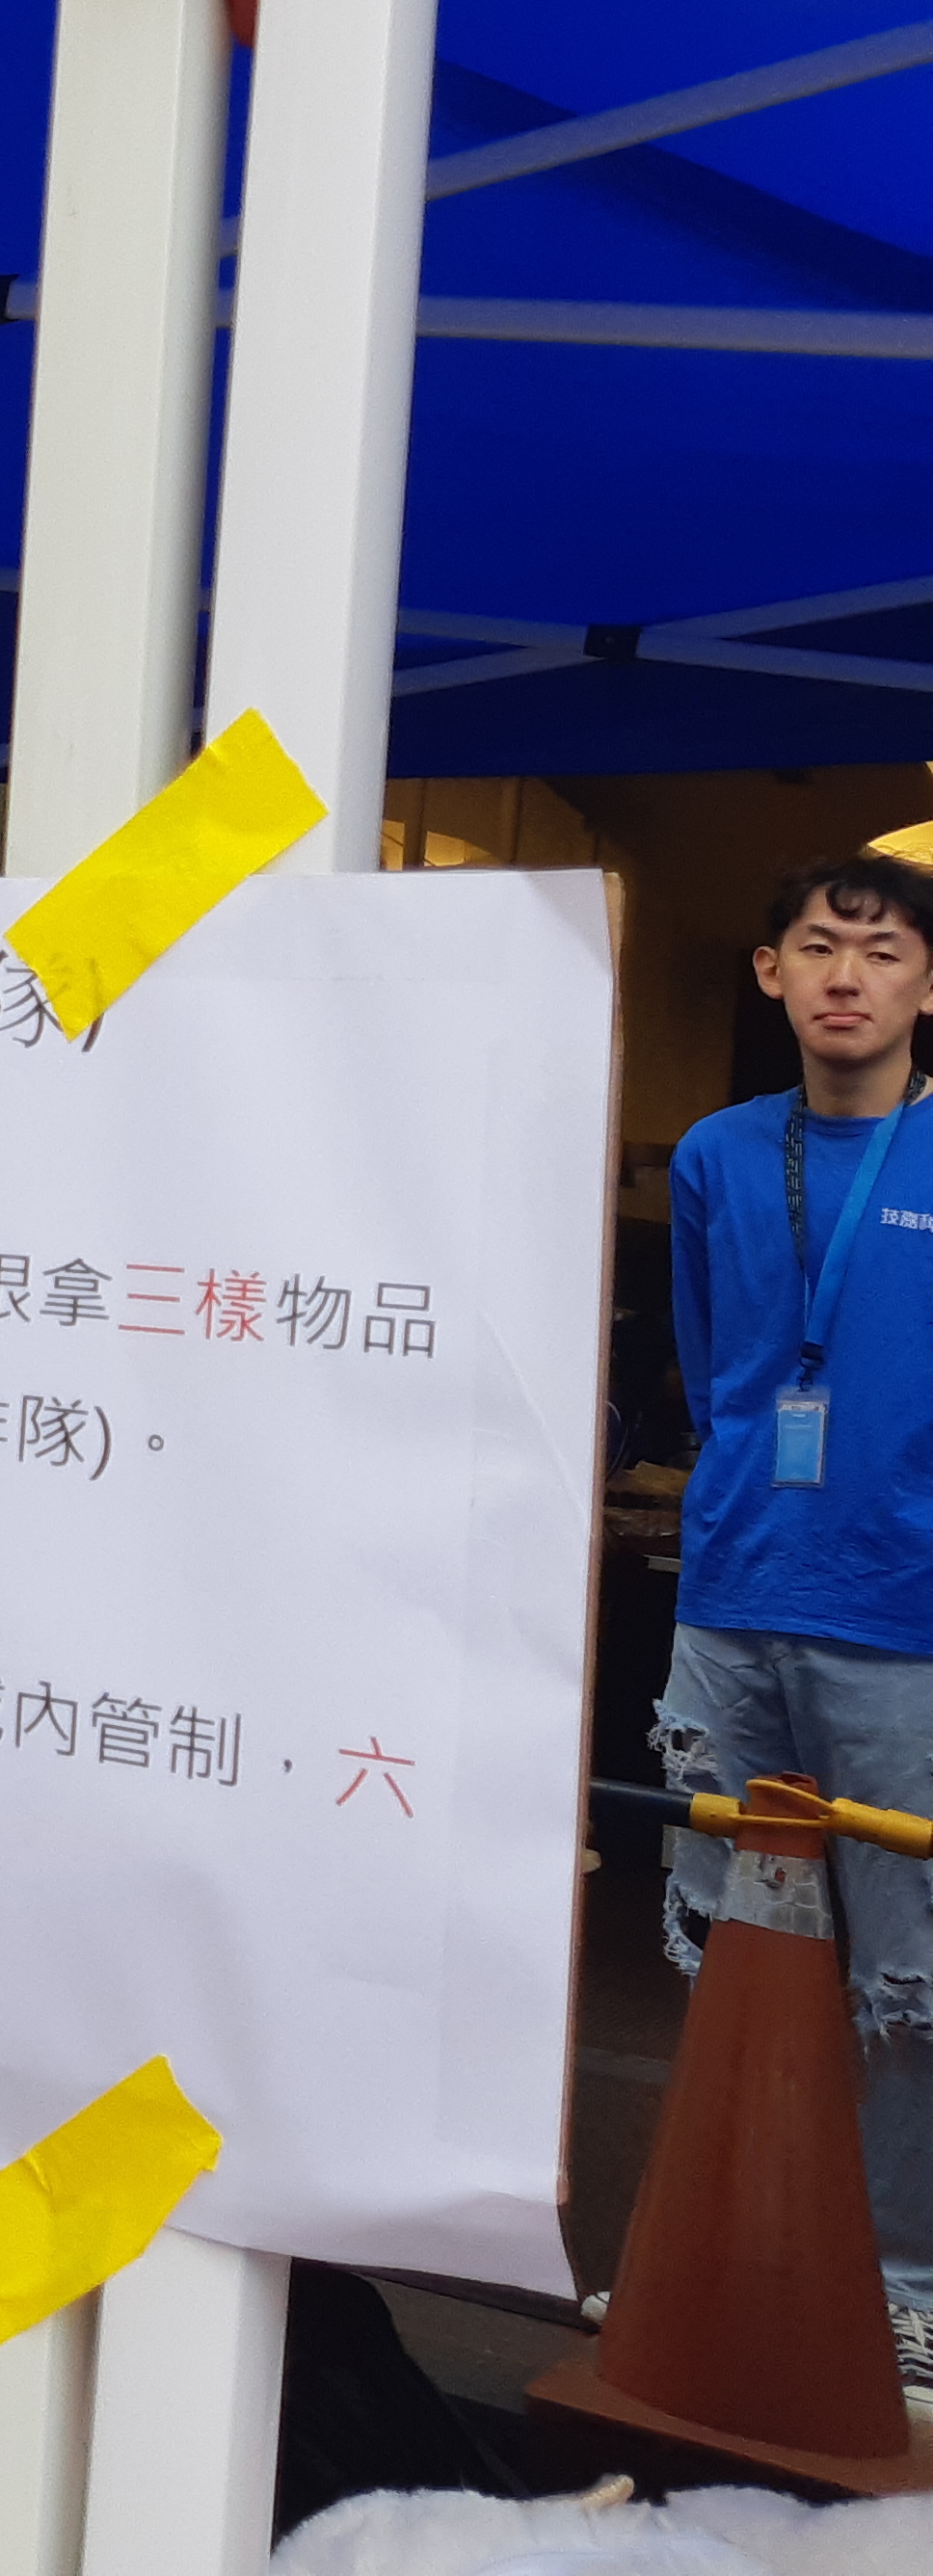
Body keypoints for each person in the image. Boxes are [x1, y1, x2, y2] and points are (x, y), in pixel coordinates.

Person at [658, 851, 933, 2394]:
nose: (847, 975)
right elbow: (716, 1369)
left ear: (928, 986)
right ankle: (711, 2251)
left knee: (908, 1978)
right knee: (726, 1952)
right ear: (769, 972)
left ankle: (901, 2285)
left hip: (907, 1615)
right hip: (732, 1596)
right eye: (819, 946)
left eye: (882, 951)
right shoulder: (715, 1153)